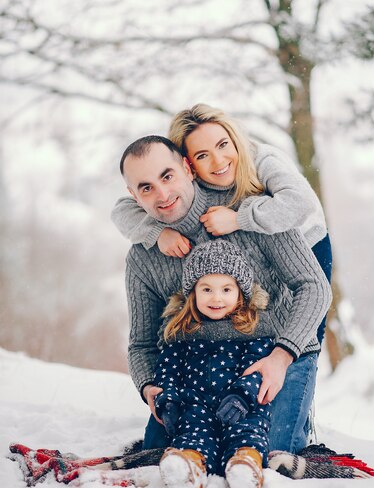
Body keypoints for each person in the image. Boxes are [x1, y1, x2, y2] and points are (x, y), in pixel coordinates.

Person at [116, 133, 332, 456]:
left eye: (167, 176)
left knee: (268, 454)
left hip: (272, 354)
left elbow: (315, 286)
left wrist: (282, 357)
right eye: (146, 188)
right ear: (133, 196)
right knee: (162, 452)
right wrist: (150, 386)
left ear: (188, 169)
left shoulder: (251, 211)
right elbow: (142, 344)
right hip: (196, 368)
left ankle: (297, 412)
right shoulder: (144, 255)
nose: (162, 194)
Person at [112, 103, 332, 348]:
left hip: (307, 238)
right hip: (261, 247)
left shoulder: (262, 160)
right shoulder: (192, 182)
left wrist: (238, 219)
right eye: (202, 155)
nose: (218, 161)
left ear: (234, 138)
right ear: (189, 166)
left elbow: (301, 205)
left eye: (223, 145)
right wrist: (157, 233)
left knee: (308, 328)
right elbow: (122, 210)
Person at [154, 239, 275, 488]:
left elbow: (258, 369)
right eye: (207, 289)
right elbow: (167, 372)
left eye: (226, 289)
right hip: (195, 405)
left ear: (240, 292)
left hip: (240, 405)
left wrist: (242, 396)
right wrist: (169, 401)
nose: (216, 298)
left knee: (248, 431)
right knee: (191, 433)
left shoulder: (252, 330)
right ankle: (190, 466)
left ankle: (245, 465)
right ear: (193, 293)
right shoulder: (181, 332)